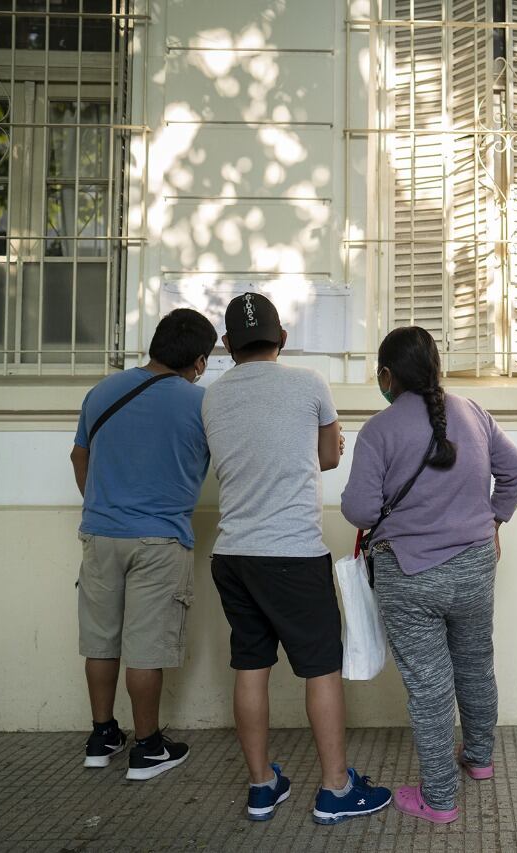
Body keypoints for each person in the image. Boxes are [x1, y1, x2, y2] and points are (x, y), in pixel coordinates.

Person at [201, 293, 391, 824]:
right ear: (282, 339)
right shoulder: (309, 384)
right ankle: (335, 789)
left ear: (226, 346)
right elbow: (328, 457)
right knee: (320, 669)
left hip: (232, 554)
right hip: (292, 551)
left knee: (251, 666)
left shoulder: (212, 398)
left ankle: (262, 785)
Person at [340, 326, 517, 824]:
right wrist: (494, 519)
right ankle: (481, 758)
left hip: (409, 573)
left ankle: (439, 799)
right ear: (436, 369)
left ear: (387, 375)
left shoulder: (378, 430)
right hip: (474, 568)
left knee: (429, 686)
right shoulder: (473, 413)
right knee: (475, 663)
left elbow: (360, 511)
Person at [71, 308, 217, 780]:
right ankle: (149, 747)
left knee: (101, 640)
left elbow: (79, 454)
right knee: (145, 649)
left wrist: (102, 504)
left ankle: (102, 736)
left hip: (101, 535)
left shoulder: (102, 391)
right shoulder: (200, 403)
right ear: (197, 360)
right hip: (159, 539)